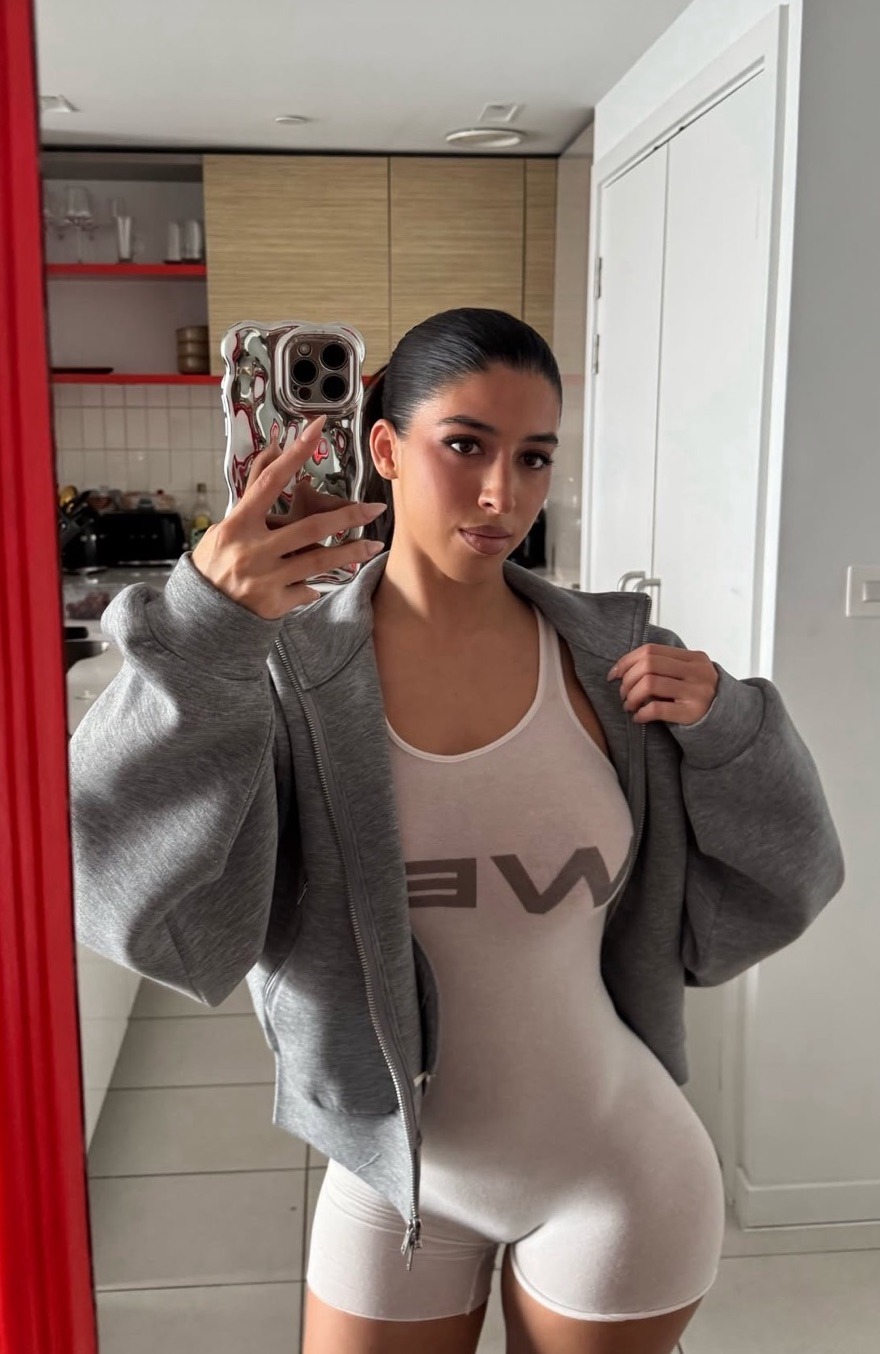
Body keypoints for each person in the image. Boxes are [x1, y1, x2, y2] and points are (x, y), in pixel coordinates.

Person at [70, 308, 845, 1354]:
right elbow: (134, 904)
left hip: (620, 1170)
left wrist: (737, 729)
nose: (502, 495)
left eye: (534, 457)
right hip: (390, 1177)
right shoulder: (284, 678)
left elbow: (791, 878)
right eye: (466, 445)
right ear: (384, 449)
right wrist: (203, 633)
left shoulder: (619, 669)